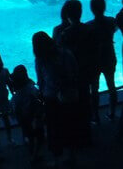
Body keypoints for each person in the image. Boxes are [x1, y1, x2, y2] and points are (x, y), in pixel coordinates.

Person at [32, 31, 81, 165]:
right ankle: (72, 156)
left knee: (54, 130)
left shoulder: (40, 60)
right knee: (70, 126)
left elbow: (41, 81)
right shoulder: (66, 53)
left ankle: (56, 160)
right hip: (69, 96)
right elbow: (76, 71)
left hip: (51, 98)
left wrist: (40, 97)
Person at [53, 0, 93, 143]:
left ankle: (71, 137)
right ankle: (85, 134)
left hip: (67, 76)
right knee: (84, 102)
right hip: (84, 71)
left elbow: (55, 52)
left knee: (69, 106)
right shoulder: (87, 28)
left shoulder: (59, 31)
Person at [86, 0, 118, 122]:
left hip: (95, 59)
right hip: (109, 56)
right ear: (105, 7)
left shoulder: (88, 26)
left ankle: (95, 116)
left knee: (94, 89)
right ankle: (112, 112)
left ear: (91, 9)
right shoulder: (111, 21)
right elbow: (115, 28)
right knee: (112, 85)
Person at [10, 65, 44, 163]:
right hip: (35, 118)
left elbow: (14, 111)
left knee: (30, 136)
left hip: (24, 120)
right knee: (39, 137)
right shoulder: (31, 88)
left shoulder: (15, 97)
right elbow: (39, 97)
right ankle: (34, 155)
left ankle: (32, 154)